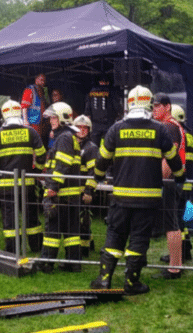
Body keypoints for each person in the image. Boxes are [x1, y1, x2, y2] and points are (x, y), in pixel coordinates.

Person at [89, 86, 184, 295]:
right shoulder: (160, 129)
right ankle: (132, 283)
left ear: (129, 103)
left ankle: (104, 279)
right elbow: (174, 159)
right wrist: (181, 178)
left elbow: (101, 161)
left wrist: (95, 180)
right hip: (148, 199)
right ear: (149, 104)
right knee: (139, 239)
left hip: (121, 196)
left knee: (114, 236)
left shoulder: (115, 129)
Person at [0, 100, 47, 254]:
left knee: (9, 218)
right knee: (31, 216)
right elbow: (42, 155)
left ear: (4, 114)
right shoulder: (30, 132)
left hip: (6, 185)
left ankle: (12, 249)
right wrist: (36, 171)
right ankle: (36, 246)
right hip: (27, 184)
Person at [38, 101, 82, 273]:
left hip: (61, 193)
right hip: (71, 194)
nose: (51, 121)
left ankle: (47, 263)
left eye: (54, 117)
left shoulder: (63, 137)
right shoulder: (68, 136)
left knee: (52, 229)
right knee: (71, 231)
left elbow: (62, 165)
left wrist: (53, 187)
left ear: (63, 118)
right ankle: (74, 263)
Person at [151, 93, 186, 279]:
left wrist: (160, 181)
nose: (154, 110)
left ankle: (174, 268)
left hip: (169, 182)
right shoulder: (173, 126)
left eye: (157, 106)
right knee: (172, 224)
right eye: (153, 106)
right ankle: (176, 266)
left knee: (171, 225)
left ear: (167, 107)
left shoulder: (169, 127)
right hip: (173, 181)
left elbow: (167, 161)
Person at [171, 104, 193, 261]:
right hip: (186, 182)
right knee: (180, 218)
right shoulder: (190, 135)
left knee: (176, 219)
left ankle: (181, 252)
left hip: (178, 182)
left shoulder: (178, 135)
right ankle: (185, 249)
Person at [73, 114, 98, 258]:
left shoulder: (91, 148)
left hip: (84, 192)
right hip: (74, 191)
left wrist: (88, 191)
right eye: (79, 127)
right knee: (78, 220)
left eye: (85, 128)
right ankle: (90, 243)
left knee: (83, 221)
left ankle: (84, 252)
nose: (82, 130)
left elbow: (93, 172)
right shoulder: (72, 144)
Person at [84, 73, 123, 149]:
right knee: (108, 145)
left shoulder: (91, 92)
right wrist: (120, 114)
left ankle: (94, 159)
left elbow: (87, 110)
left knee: (94, 146)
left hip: (95, 124)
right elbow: (117, 106)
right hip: (108, 123)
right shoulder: (111, 91)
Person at [20, 73, 50, 138]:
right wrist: (25, 121)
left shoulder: (42, 92)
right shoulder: (29, 90)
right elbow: (24, 106)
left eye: (44, 81)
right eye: (41, 80)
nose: (43, 82)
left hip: (39, 123)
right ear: (36, 79)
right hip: (31, 124)